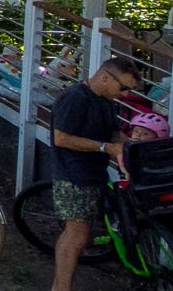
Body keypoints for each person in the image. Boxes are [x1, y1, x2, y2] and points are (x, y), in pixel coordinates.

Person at [51, 56, 144, 291]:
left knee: (79, 235)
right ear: (105, 77)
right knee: (77, 236)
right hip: (73, 174)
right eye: (123, 87)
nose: (125, 94)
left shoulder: (107, 100)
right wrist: (105, 148)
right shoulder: (74, 97)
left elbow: (113, 135)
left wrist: (136, 148)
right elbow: (61, 138)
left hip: (95, 172)